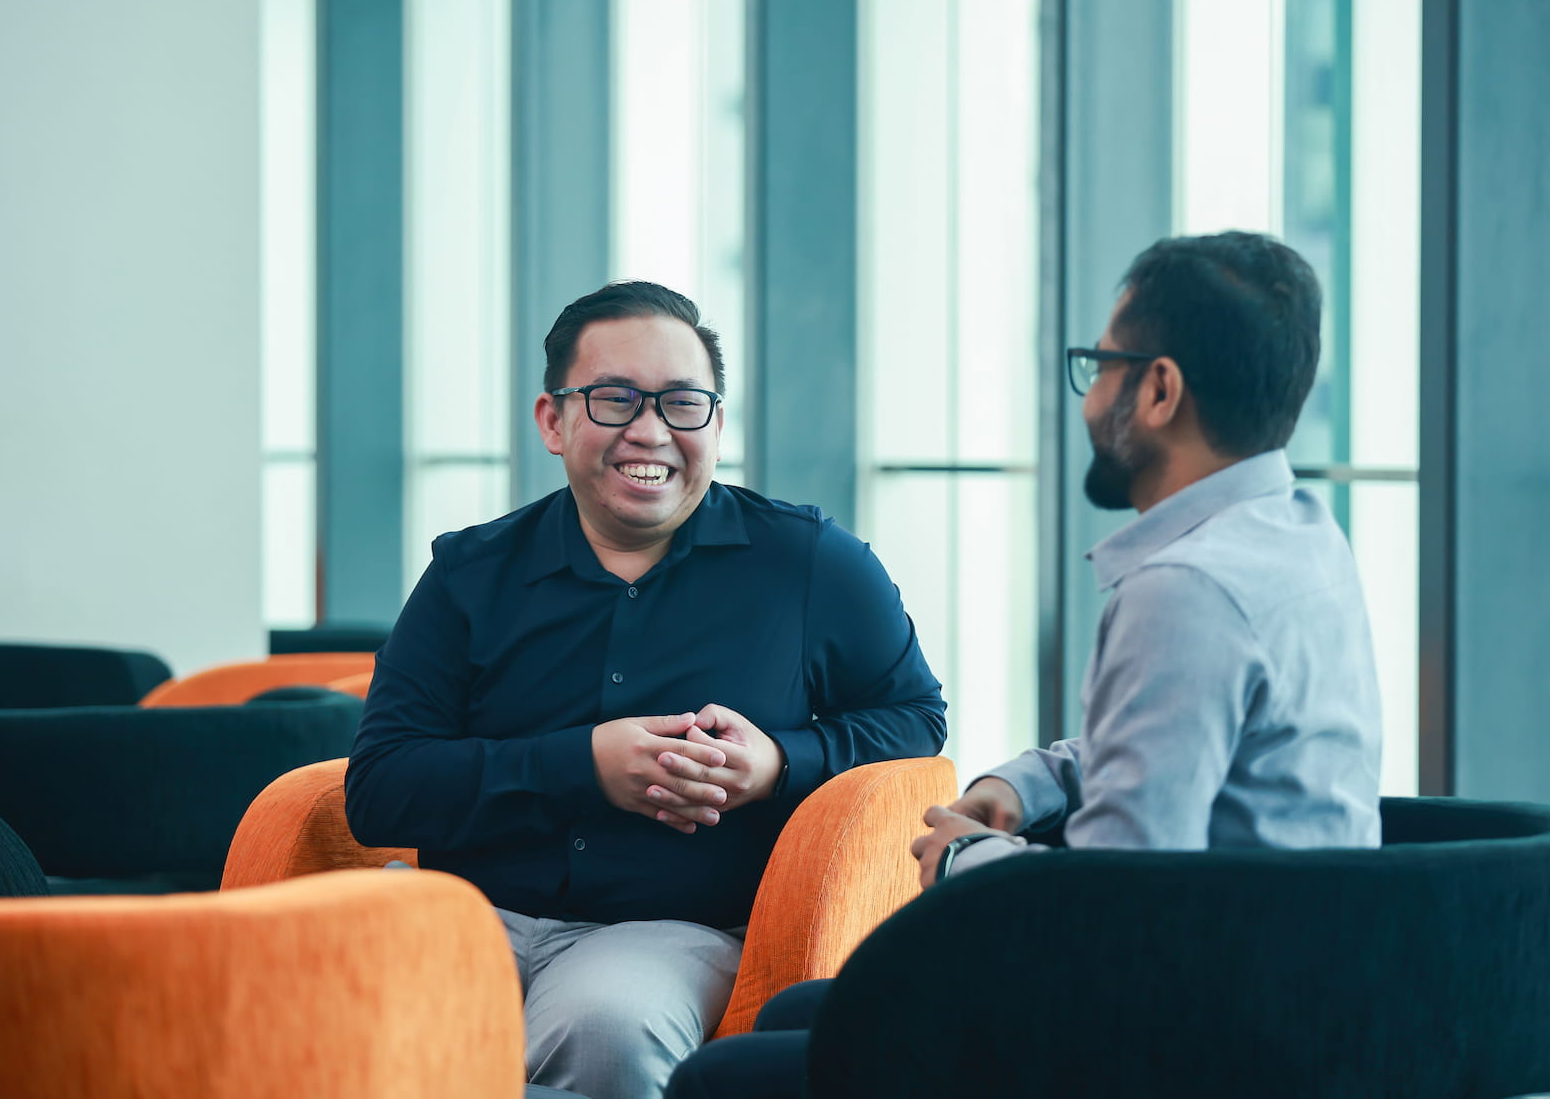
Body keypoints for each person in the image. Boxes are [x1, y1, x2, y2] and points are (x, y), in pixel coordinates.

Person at [664, 230, 1384, 1099]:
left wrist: (969, 863)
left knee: (725, 1079)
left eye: (1101, 365)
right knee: (799, 1017)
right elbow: (1181, 746)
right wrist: (1028, 784)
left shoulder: (1185, 590)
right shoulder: (1300, 535)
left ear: (1159, 389)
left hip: (1183, 1036)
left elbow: (1121, 906)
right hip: (1300, 995)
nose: (1088, 400)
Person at [345, 281, 947, 1099]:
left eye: (681, 404)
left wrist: (779, 763)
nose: (651, 430)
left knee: (607, 1029)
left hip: (670, 930)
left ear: (718, 424)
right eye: (614, 399)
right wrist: (584, 766)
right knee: (326, 1007)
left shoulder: (810, 564)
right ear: (553, 421)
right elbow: (381, 789)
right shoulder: (469, 575)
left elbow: (913, 720)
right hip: (464, 913)